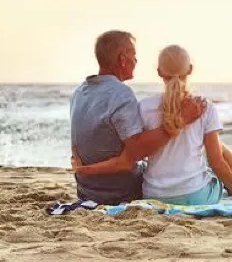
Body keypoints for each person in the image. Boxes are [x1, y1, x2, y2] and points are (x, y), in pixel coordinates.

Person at [72, 44, 232, 206]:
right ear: (190, 69)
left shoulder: (144, 107)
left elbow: (136, 150)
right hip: (194, 196)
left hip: (154, 195)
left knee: (209, 148)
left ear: (159, 72)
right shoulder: (204, 107)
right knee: (216, 151)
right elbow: (217, 164)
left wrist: (86, 167)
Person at [70, 31, 205, 205]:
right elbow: (136, 151)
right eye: (133, 55)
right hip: (120, 191)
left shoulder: (79, 92)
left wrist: (84, 170)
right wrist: (183, 119)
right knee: (208, 157)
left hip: (85, 190)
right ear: (122, 59)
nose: (136, 61)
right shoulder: (121, 94)